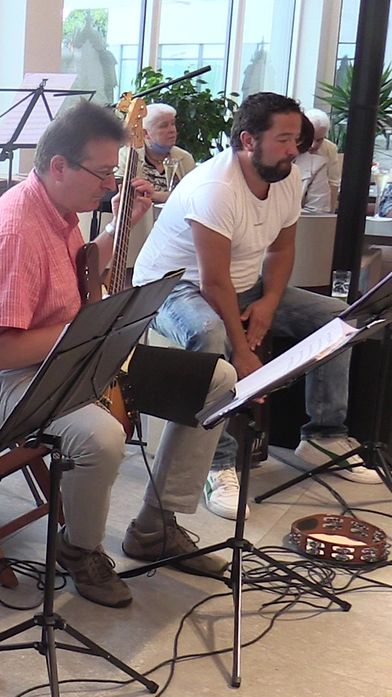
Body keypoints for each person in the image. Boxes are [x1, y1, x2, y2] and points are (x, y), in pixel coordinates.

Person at [0, 100, 235, 609]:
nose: (109, 184)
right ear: (59, 166)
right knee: (100, 435)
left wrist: (118, 228)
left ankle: (155, 525)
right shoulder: (15, 231)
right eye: (102, 173)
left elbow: (77, 272)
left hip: (68, 354)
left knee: (217, 380)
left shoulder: (59, 211)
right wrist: (89, 332)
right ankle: (79, 550)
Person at [133, 92, 383, 523]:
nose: (294, 149)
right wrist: (244, 352)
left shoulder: (285, 176)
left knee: (334, 318)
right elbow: (213, 282)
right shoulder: (215, 188)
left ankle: (324, 435)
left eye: (296, 139)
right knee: (209, 333)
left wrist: (268, 301)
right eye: (284, 139)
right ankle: (217, 464)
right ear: (249, 140)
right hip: (172, 288)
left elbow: (282, 251)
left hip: (244, 286)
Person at [116, 102, 198, 276]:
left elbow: (193, 197)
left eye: (173, 124)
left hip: (175, 233)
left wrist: (155, 195)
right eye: (163, 126)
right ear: (145, 133)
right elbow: (126, 193)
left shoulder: (184, 158)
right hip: (139, 232)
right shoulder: (127, 155)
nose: (172, 130)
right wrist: (167, 196)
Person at [304, 108, 342, 211]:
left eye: (319, 140)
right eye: (310, 138)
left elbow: (333, 183)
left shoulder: (330, 149)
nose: (313, 145)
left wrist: (329, 214)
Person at [295, 113, 332, 213]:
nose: (313, 145)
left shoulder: (320, 163)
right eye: (283, 139)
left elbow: (318, 212)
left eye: (319, 140)